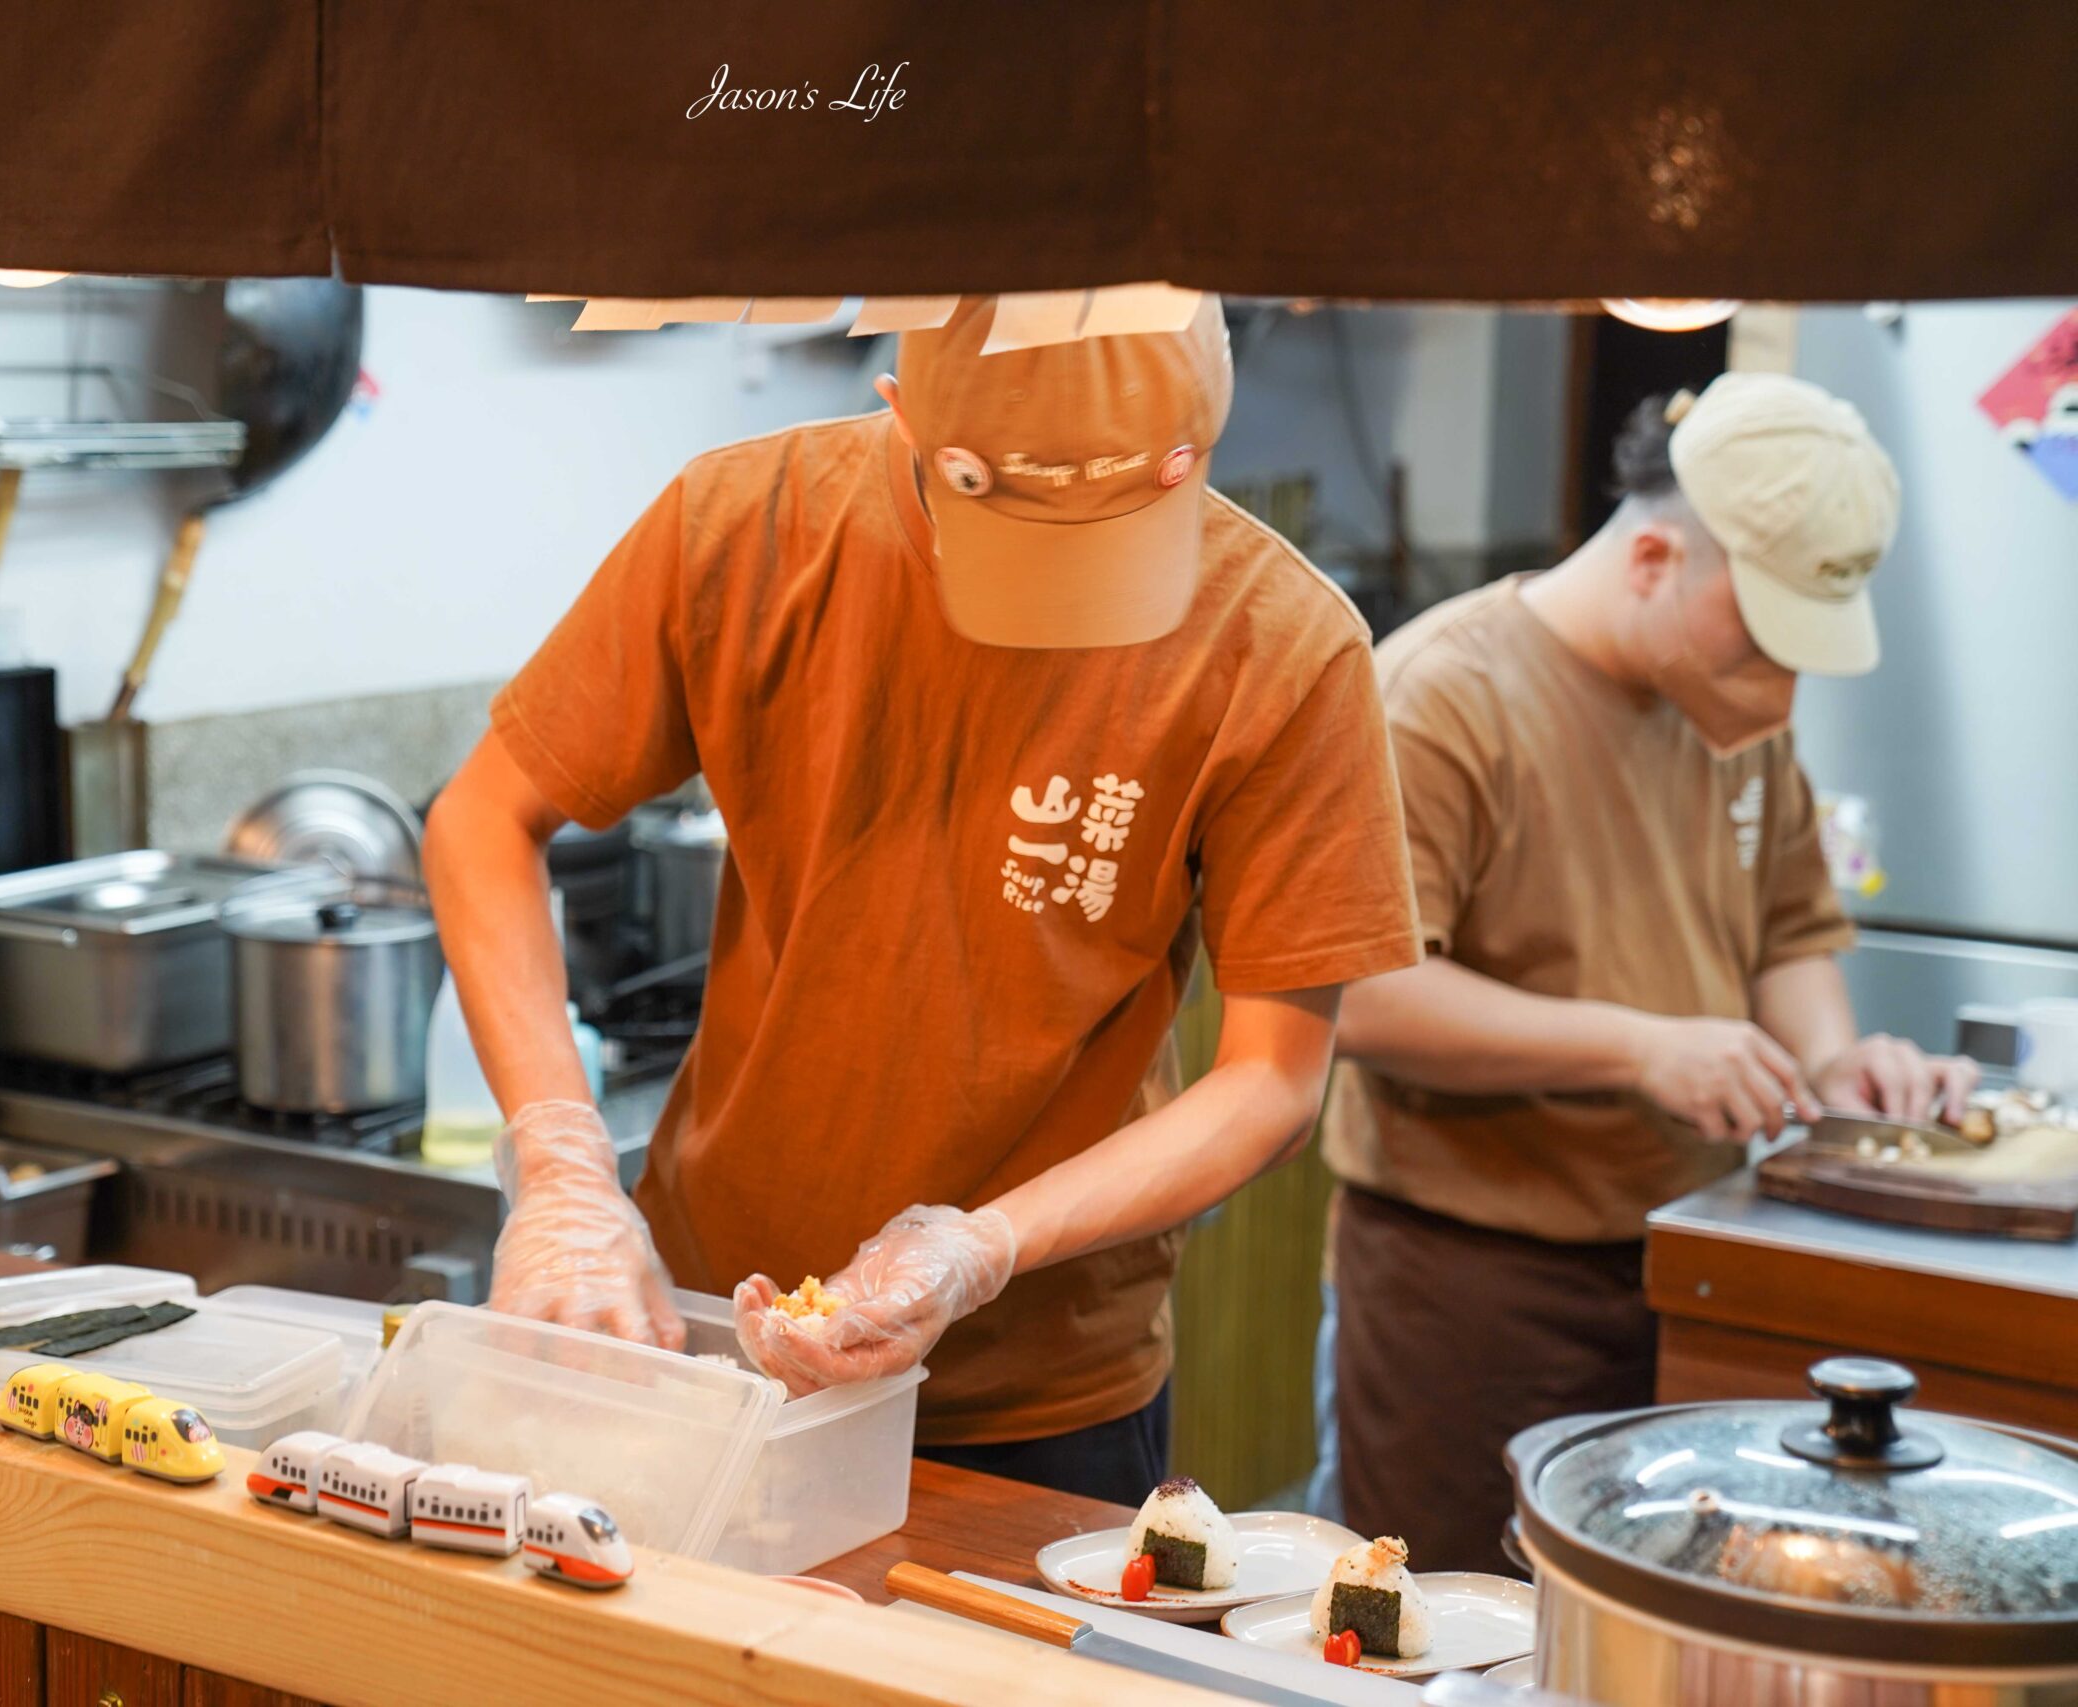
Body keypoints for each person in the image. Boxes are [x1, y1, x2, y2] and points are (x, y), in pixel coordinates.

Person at [423, 296, 1423, 1502]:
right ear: (900, 415)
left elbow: (1269, 1081)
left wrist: (979, 1248)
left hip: (1041, 1392)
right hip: (706, 1342)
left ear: (1198, 446)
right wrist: (566, 1165)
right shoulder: (745, 527)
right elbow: (483, 818)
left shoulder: (1284, 646)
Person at [1321, 375, 1980, 1569]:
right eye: (1763, 642)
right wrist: (1640, 1046)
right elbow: (1362, 996)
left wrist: (1839, 1066)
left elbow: (1785, 926)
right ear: (1652, 559)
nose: (1781, 691)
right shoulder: (1444, 694)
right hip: (1475, 1285)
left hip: (1693, 1260)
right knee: (1451, 1621)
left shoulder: (1724, 705)